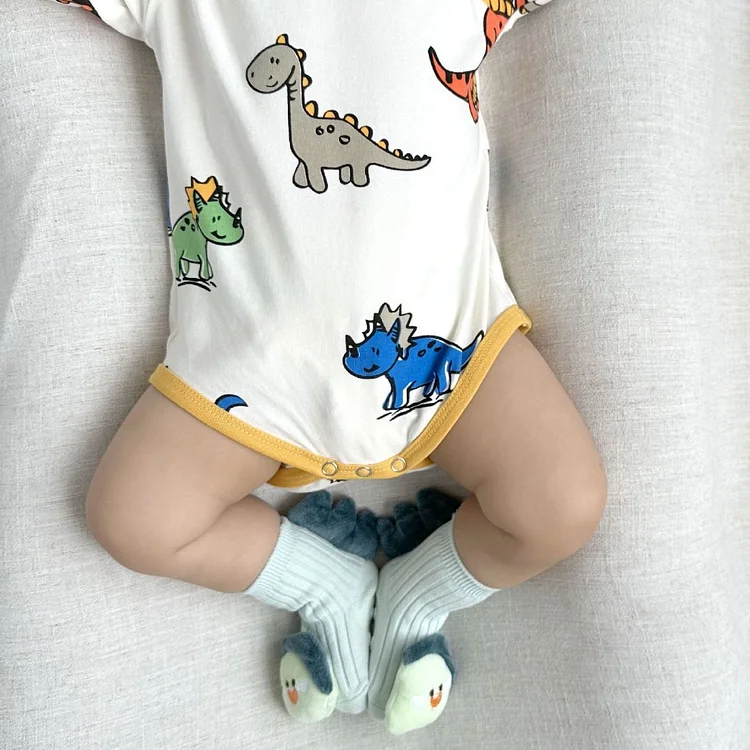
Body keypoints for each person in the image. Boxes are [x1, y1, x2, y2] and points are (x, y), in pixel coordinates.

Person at [49, 0, 605, 735]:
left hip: (448, 342)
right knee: (131, 518)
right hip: (248, 371)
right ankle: (326, 586)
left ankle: (418, 593)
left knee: (563, 505)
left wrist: (427, 593)